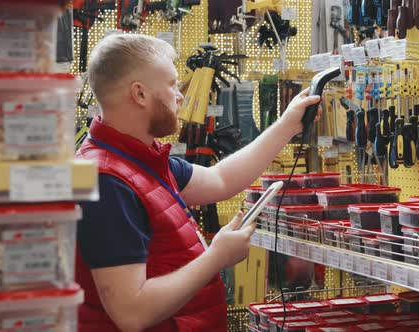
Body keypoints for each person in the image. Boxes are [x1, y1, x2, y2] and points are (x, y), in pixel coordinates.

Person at [75, 34, 321, 332]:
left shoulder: (142, 160)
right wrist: (217, 257)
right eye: (170, 84)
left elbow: (221, 179)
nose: (180, 96)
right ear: (139, 94)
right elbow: (132, 313)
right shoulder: (107, 181)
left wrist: (287, 125)